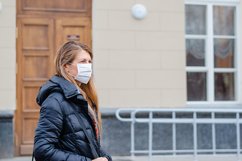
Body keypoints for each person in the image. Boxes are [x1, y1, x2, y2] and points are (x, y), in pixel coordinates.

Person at [34, 41, 112, 161]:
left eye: (89, 62)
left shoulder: (82, 98)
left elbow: (86, 142)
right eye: (82, 62)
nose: (88, 66)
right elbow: (42, 150)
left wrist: (106, 158)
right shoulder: (55, 101)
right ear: (66, 67)